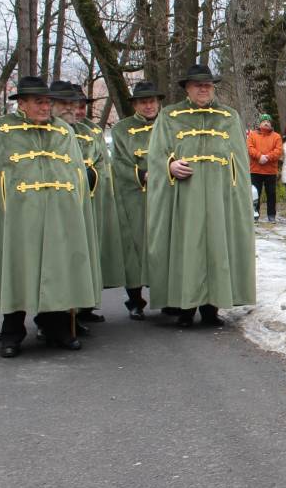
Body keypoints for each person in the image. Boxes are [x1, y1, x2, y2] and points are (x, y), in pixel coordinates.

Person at [0, 75, 101, 357]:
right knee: (18, 270)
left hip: (60, 214)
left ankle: (57, 328)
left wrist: (75, 209)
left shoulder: (63, 131)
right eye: (38, 102)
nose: (45, 107)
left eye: (48, 102)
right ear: (21, 103)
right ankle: (12, 334)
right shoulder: (0, 130)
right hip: (19, 216)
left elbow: (76, 173)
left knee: (57, 270)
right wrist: (2, 211)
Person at [146, 64, 256, 328]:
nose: (204, 89)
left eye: (207, 85)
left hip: (221, 197)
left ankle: (211, 309)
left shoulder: (229, 117)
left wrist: (236, 194)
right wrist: (170, 166)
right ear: (187, 88)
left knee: (218, 248)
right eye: (198, 85)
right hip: (185, 196)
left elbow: (239, 162)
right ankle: (185, 307)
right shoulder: (170, 116)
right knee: (188, 248)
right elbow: (157, 153)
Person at [69, 82, 126, 323]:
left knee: (90, 253)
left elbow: (104, 165)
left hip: (93, 200)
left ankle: (85, 306)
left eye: (83, 106)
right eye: (75, 106)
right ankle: (63, 314)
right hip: (68, 201)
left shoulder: (93, 132)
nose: (80, 111)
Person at [110, 80, 165, 319]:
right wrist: (141, 174)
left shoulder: (169, 124)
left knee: (164, 244)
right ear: (135, 105)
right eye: (144, 102)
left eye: (152, 101)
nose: (149, 106)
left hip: (165, 193)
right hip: (135, 195)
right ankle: (134, 299)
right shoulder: (121, 129)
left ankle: (167, 297)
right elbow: (119, 162)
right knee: (134, 246)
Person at [247, 114, 283, 223]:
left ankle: (271, 215)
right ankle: (254, 214)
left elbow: (278, 151)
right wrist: (259, 156)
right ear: (260, 123)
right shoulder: (252, 135)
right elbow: (250, 148)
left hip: (270, 171)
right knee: (254, 194)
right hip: (255, 170)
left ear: (271, 124)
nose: (266, 123)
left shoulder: (276, 136)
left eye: (268, 121)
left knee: (271, 194)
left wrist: (267, 157)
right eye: (264, 121)